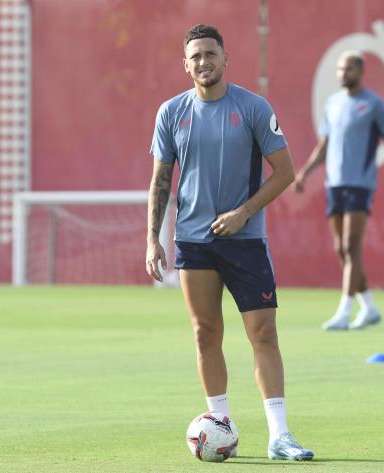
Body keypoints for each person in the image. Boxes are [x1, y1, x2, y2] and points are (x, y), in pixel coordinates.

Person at [145, 24, 313, 461]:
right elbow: (161, 180)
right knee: (205, 334)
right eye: (195, 56)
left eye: (210, 54)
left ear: (225, 58)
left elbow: (285, 173)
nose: (203, 62)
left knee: (263, 333)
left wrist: (243, 213)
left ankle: (280, 436)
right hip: (193, 242)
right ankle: (220, 423)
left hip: (246, 241)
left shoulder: (253, 108)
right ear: (186, 64)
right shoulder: (171, 112)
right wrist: (152, 240)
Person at [295, 50, 384, 331]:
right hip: (334, 183)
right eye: (339, 69)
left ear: (360, 71)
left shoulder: (373, 104)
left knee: (351, 246)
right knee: (341, 249)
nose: (342, 74)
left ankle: (344, 312)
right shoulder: (333, 103)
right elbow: (324, 145)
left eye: (348, 69)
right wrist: (305, 172)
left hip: (360, 183)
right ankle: (369, 307)